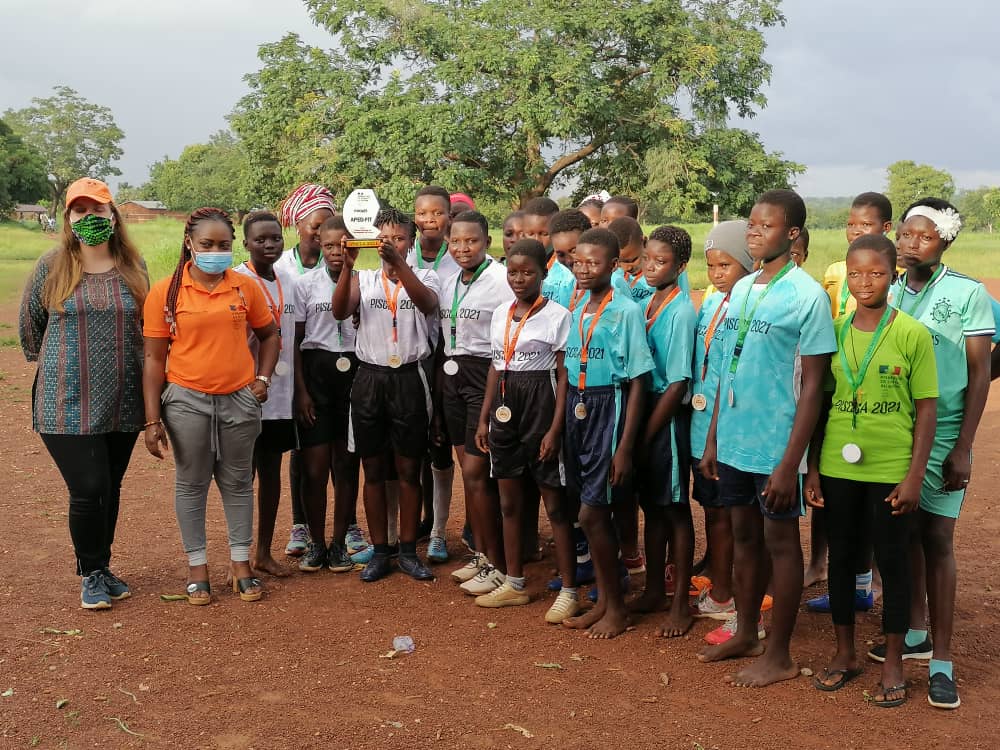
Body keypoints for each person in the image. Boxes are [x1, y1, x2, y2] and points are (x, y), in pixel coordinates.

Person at [699, 189, 836, 686]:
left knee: (780, 542)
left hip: (776, 444)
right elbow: (724, 369)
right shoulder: (742, 288)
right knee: (743, 539)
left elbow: (815, 385)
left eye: (766, 225)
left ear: (792, 233)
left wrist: (790, 462)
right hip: (733, 438)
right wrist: (713, 439)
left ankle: (779, 654)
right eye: (751, 224)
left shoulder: (807, 296)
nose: (754, 232)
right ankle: (746, 632)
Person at [804, 234, 938, 708]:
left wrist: (915, 475)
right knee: (841, 559)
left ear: (893, 275)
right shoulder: (834, 330)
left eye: (877, 273)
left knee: (893, 560)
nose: (865, 282)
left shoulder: (912, 333)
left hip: (890, 468)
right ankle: (844, 653)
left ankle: (896, 660)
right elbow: (819, 402)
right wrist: (814, 467)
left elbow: (926, 409)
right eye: (856, 273)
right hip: (839, 465)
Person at [876, 198, 992, 710]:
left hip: (943, 429)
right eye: (903, 235)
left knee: (938, 537)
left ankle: (942, 661)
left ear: (945, 241)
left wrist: (963, 445)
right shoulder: (889, 288)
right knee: (905, 534)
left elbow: (981, 372)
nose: (907, 244)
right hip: (896, 428)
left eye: (921, 237)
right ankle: (916, 631)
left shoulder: (968, 293)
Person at [19, 177, 149, 610]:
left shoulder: (134, 266)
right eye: (80, 211)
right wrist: (70, 362)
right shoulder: (51, 265)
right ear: (68, 217)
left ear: (113, 216)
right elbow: (31, 330)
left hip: (124, 398)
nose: (89, 217)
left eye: (98, 210)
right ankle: (90, 572)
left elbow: (145, 330)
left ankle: (102, 565)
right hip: (65, 399)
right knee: (88, 486)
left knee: (110, 486)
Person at [142, 208, 280, 605]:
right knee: (191, 483)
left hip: (240, 398)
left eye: (224, 245)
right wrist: (152, 420)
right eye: (207, 245)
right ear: (190, 244)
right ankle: (197, 570)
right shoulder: (166, 292)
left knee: (238, 482)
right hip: (186, 400)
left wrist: (263, 378)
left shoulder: (244, 287)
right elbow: (153, 360)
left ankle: (241, 566)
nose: (215, 252)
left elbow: (269, 335)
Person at [332, 205, 441, 582]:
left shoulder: (426, 276)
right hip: (370, 378)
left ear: (410, 242)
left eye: (398, 238)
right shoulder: (363, 278)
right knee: (373, 469)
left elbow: (428, 305)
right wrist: (347, 265)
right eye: (384, 239)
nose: (391, 244)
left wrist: (401, 266)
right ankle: (381, 551)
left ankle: (409, 550)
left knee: (410, 468)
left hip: (409, 378)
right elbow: (339, 311)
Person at [472, 239, 575, 619]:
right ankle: (514, 583)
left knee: (555, 504)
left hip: (541, 405)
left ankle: (569, 589)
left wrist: (554, 429)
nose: (518, 278)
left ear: (544, 274)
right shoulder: (500, 314)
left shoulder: (558, 316)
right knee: (509, 501)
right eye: (513, 271)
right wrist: (483, 418)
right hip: (505, 405)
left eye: (527, 272)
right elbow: (496, 367)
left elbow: (564, 376)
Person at [560, 228, 654, 639]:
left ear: (613, 265)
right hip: (577, 406)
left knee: (592, 514)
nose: (583, 268)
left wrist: (625, 448)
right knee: (586, 510)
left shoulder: (626, 311)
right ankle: (603, 601)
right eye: (578, 261)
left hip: (607, 407)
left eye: (593, 262)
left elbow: (638, 382)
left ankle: (616, 607)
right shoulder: (578, 301)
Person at [806, 192, 894, 606]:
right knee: (830, 484)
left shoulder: (891, 278)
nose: (857, 231)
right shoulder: (836, 271)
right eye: (852, 224)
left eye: (866, 225)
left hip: (879, 392)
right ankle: (824, 566)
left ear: (885, 231)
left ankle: (872, 579)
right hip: (839, 377)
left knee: (875, 500)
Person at [625, 226, 697, 637]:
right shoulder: (651, 299)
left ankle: (681, 603)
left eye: (661, 262)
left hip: (665, 419)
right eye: (648, 259)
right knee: (653, 506)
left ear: (681, 266)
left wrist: (644, 434)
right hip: (646, 411)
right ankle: (653, 589)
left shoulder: (682, 311)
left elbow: (678, 383)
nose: (651, 267)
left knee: (675, 509)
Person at [437, 211, 513, 593]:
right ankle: (483, 556)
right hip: (452, 376)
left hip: (484, 376)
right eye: (456, 241)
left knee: (476, 473)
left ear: (487, 242)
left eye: (472, 241)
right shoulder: (448, 280)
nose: (463, 248)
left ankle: (498, 563)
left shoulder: (500, 281)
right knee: (468, 470)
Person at [688, 222, 753, 643]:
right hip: (700, 424)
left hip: (730, 428)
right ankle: (720, 582)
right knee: (712, 510)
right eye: (711, 265)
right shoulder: (711, 306)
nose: (717, 273)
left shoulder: (749, 309)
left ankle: (729, 594)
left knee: (731, 515)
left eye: (726, 265)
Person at [273, 183, 343, 558]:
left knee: (337, 452)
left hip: (336, 369)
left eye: (326, 225)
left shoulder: (345, 265)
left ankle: (345, 526)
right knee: (302, 451)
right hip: (293, 368)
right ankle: (301, 523)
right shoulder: (283, 268)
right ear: (297, 225)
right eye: (313, 224)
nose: (319, 231)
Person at [292, 215, 364, 573]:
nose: (338, 251)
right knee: (315, 468)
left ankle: (339, 544)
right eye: (331, 244)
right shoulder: (304, 285)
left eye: (345, 244)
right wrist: (300, 391)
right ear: (319, 243)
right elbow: (294, 340)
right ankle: (316, 543)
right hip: (317, 373)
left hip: (355, 373)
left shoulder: (366, 282)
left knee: (347, 465)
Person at [234, 212, 298, 578]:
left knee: (272, 473)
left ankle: (263, 552)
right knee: (241, 478)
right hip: (244, 392)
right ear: (246, 244)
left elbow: (296, 338)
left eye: (275, 238)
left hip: (279, 394)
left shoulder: (289, 280)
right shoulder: (237, 281)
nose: (269, 244)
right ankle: (239, 555)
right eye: (260, 240)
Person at [408, 186, 458, 555]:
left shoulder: (457, 259)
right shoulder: (402, 255)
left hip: (445, 359)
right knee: (416, 446)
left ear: (449, 217)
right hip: (409, 359)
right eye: (422, 213)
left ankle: (441, 529)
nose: (430, 220)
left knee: (441, 443)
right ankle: (423, 520)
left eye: (437, 213)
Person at [607, 217, 654, 303]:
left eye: (633, 260)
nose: (627, 268)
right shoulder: (613, 277)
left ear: (644, 242)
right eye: (620, 262)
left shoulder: (664, 270)